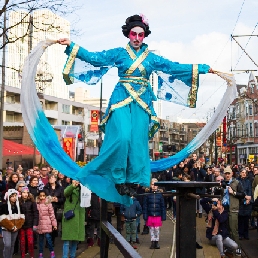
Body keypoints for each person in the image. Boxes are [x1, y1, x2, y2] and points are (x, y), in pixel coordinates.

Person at [57, 14, 213, 204]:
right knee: (122, 137)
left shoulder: (152, 58)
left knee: (138, 142)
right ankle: (117, 177)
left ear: (145, 36)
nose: (137, 38)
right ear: (128, 34)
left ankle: (133, 180)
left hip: (142, 100)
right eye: (134, 34)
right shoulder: (119, 53)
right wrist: (72, 46)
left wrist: (204, 68)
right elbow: (95, 58)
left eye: (141, 35)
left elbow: (173, 67)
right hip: (122, 97)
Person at [221, 166, 245, 256]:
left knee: (234, 229)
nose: (227, 175)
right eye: (226, 173)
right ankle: (229, 247)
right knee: (227, 230)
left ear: (232, 174)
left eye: (228, 173)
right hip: (224, 209)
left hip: (233, 209)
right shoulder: (223, 183)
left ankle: (238, 247)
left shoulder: (237, 183)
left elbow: (242, 194)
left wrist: (233, 193)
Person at [62, 180, 85, 258]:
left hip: (79, 217)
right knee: (67, 240)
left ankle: (72, 256)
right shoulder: (70, 187)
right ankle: (64, 256)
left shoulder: (84, 189)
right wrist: (73, 185)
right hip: (70, 217)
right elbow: (65, 193)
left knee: (75, 240)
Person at [0, 189, 25, 258]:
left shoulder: (19, 206)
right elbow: (2, 219)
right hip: (6, 229)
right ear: (8, 197)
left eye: (15, 196)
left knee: (12, 244)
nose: (14, 197)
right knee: (7, 245)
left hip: (16, 228)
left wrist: (17, 226)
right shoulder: (3, 206)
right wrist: (12, 227)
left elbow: (22, 217)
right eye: (12, 196)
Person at [143, 178, 166, 249]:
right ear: (150, 185)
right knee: (151, 229)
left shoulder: (160, 195)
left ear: (158, 186)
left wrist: (163, 216)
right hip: (150, 214)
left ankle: (157, 242)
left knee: (157, 229)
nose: (154, 186)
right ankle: (152, 242)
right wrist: (145, 215)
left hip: (158, 215)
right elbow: (145, 206)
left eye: (155, 185)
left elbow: (162, 206)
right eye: (152, 184)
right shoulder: (147, 195)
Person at [19, 186, 39, 258]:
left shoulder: (32, 202)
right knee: (22, 242)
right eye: (24, 192)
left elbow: (36, 213)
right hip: (21, 225)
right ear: (21, 193)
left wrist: (35, 224)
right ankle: (23, 255)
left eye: (27, 193)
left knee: (30, 242)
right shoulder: (18, 202)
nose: (25, 194)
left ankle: (32, 255)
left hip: (30, 225)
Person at [36, 190, 57, 258]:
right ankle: (40, 253)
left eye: (43, 196)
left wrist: (54, 224)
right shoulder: (37, 204)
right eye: (41, 196)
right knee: (41, 240)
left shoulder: (48, 204)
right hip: (40, 224)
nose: (42, 197)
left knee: (48, 238)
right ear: (38, 196)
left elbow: (52, 215)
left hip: (47, 224)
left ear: (46, 196)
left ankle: (52, 251)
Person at [237, 169, 252, 240]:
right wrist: (245, 197)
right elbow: (239, 191)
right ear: (240, 173)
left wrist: (249, 199)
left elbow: (249, 190)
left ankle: (246, 234)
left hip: (247, 203)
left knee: (246, 219)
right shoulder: (237, 181)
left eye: (245, 173)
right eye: (242, 172)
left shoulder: (248, 181)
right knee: (240, 219)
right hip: (240, 201)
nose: (244, 174)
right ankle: (240, 234)